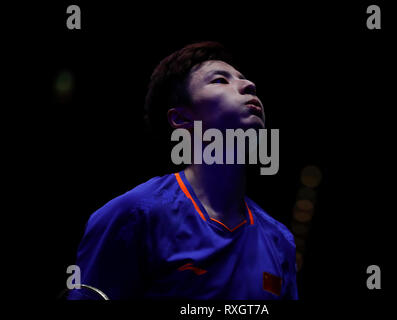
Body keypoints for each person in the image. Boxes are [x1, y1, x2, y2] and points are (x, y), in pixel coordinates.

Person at [68, 41, 298, 300]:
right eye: (221, 80)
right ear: (181, 119)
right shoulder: (133, 215)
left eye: (244, 79)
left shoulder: (280, 240)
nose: (249, 85)